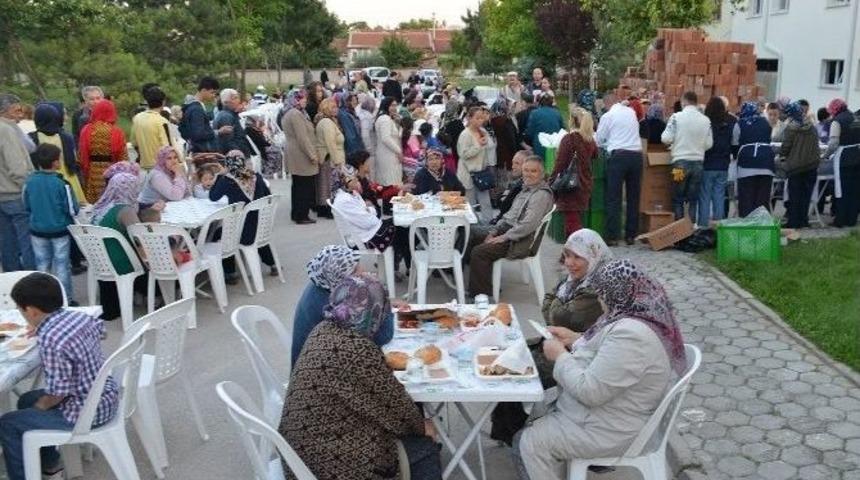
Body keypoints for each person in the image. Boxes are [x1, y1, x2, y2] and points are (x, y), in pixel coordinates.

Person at [512, 259, 685, 480]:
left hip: (609, 429)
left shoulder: (633, 336)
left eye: (602, 294)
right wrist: (574, 339)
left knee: (527, 443)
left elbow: (591, 392)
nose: (600, 300)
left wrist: (560, 355)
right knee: (535, 412)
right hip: (611, 414)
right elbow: (607, 352)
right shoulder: (635, 316)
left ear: (617, 294)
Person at [280, 274, 441, 480]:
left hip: (297, 453)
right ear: (375, 312)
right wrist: (421, 426)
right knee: (424, 447)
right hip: (328, 465)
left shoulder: (323, 329)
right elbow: (397, 407)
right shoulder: (358, 349)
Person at [490, 229, 611, 445]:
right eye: (567, 255)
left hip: (580, 355)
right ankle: (507, 431)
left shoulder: (598, 288)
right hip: (561, 341)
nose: (570, 263)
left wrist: (555, 305)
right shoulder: (574, 280)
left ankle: (515, 436)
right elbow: (549, 306)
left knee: (517, 373)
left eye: (578, 257)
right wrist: (556, 305)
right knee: (507, 354)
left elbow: (558, 313)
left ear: (593, 257)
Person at [0, 273, 118, 480]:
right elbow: (103, 332)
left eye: (21, 310)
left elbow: (57, 394)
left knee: (9, 423)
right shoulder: (79, 317)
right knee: (26, 400)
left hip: (84, 412)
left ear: (32, 311)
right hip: (105, 396)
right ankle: (50, 466)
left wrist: (40, 408)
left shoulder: (51, 339)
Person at [291, 245, 394, 365]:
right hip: (323, 372)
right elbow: (379, 338)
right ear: (338, 278)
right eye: (355, 271)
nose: (362, 271)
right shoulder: (333, 304)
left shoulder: (322, 283)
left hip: (315, 367)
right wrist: (382, 299)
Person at [466, 156, 553, 297]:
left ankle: (482, 295)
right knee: (472, 236)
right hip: (509, 231)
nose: (528, 174)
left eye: (533, 171)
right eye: (526, 170)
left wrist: (503, 237)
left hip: (519, 240)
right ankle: (479, 282)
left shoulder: (540, 196)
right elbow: (509, 217)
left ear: (542, 174)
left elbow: (527, 225)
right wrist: (494, 231)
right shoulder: (526, 189)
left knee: (479, 251)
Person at [90, 172, 155, 320]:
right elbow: (140, 238)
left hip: (100, 260)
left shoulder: (101, 206)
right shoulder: (125, 210)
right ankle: (155, 297)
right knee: (160, 259)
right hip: (121, 263)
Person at [23, 144, 79, 300]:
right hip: (59, 230)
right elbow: (72, 209)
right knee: (62, 266)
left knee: (41, 265)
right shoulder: (62, 183)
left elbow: (26, 205)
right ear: (55, 162)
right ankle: (65, 298)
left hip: (37, 230)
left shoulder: (30, 181)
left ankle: (43, 299)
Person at [209, 151, 278, 277]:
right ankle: (272, 263)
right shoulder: (256, 176)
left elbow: (213, 197)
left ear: (228, 163)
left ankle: (230, 272)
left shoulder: (228, 180)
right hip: (262, 227)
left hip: (243, 232)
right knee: (253, 221)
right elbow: (268, 196)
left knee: (220, 233)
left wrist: (220, 175)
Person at [596, 89, 643, 245]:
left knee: (614, 197)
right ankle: (631, 234)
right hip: (636, 156)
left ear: (605, 103)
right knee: (633, 197)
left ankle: (612, 236)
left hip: (619, 157)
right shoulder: (630, 112)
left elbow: (599, 139)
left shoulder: (607, 116)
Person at [661, 91, 713, 223]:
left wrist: (676, 143)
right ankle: (691, 230)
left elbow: (666, 138)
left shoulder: (676, 117)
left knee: (678, 198)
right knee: (693, 200)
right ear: (696, 102)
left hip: (679, 165)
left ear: (683, 102)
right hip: (698, 165)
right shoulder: (706, 120)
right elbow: (709, 144)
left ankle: (679, 233)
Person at [0, 94, 36, 272]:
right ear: (4, 111)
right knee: (27, 241)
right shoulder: (6, 130)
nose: (20, 114)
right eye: (16, 110)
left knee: (7, 242)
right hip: (14, 193)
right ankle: (31, 281)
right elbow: (17, 167)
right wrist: (29, 188)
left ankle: (11, 281)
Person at [551, 108, 598, 236]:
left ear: (572, 120)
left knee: (572, 223)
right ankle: (568, 253)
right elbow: (595, 155)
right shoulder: (590, 140)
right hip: (585, 183)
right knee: (574, 220)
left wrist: (552, 181)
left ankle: (580, 250)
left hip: (570, 185)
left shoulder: (569, 139)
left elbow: (560, 164)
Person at [29, 103, 86, 204]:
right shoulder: (66, 137)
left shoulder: (31, 138)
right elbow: (73, 160)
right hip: (68, 180)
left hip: (43, 181)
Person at [779, 102, 821, 229]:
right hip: (812, 165)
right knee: (806, 195)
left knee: (795, 195)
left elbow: (786, 146)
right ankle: (803, 220)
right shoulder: (812, 126)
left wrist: (782, 155)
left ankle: (793, 221)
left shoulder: (791, 128)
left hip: (796, 166)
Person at [78, 99, 128, 203]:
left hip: (93, 171)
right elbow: (123, 157)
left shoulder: (86, 129)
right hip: (112, 171)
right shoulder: (117, 131)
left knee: (95, 203)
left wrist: (86, 171)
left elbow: (82, 154)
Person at [282, 90, 320, 224]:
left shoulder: (293, 112)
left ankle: (297, 213)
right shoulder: (296, 114)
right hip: (301, 155)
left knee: (298, 185)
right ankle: (301, 215)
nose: (305, 101)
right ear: (295, 100)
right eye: (302, 98)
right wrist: (312, 155)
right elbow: (302, 138)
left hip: (296, 153)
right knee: (304, 186)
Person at [732, 102, 775, 217]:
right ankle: (762, 226)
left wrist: (735, 156)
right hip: (766, 164)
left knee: (746, 199)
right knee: (762, 199)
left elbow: (735, 144)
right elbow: (768, 139)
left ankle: (747, 226)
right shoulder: (765, 122)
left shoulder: (739, 123)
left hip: (747, 164)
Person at [699, 96, 736, 227]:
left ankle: (703, 226)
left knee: (704, 196)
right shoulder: (729, 123)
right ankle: (718, 226)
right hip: (723, 165)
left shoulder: (706, 123)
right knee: (719, 197)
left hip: (707, 164)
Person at [824, 98, 860, 227]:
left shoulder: (837, 121)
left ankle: (840, 220)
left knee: (841, 189)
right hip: (857, 154)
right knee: (855, 189)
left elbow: (833, 143)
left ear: (834, 110)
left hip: (844, 157)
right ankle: (851, 219)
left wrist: (825, 155)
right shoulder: (856, 118)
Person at [457, 107, 495, 223]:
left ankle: (488, 225)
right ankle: (471, 225)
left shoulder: (482, 131)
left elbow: (491, 146)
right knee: (470, 203)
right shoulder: (465, 134)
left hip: (481, 172)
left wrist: (486, 139)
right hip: (469, 173)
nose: (480, 121)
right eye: (477, 118)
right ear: (470, 118)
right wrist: (478, 145)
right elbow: (464, 154)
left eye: (482, 118)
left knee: (486, 201)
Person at [179, 76, 226, 154]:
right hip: (202, 151)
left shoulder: (189, 106)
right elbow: (198, 134)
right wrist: (217, 132)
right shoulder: (196, 109)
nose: (214, 95)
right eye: (212, 92)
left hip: (195, 149)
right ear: (203, 90)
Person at [315, 98, 344, 218]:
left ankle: (324, 208)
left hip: (328, 157)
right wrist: (338, 161)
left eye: (336, 106)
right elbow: (330, 143)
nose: (335, 109)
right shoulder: (327, 123)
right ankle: (327, 208)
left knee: (325, 184)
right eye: (332, 107)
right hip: (330, 159)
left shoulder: (328, 121)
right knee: (328, 185)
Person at [131, 86, 171, 171]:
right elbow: (167, 148)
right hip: (160, 169)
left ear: (147, 102)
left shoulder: (137, 118)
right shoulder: (162, 121)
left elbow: (134, 142)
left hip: (143, 167)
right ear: (163, 102)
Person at [374, 97, 404, 187]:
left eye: (395, 105)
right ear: (386, 106)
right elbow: (385, 138)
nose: (394, 108)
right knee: (390, 183)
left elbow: (397, 136)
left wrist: (398, 123)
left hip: (392, 153)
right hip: (388, 155)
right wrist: (399, 151)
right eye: (392, 105)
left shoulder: (389, 119)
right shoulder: (384, 119)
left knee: (394, 181)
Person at [524, 94, 564, 160]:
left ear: (539, 102)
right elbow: (562, 130)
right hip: (554, 145)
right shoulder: (557, 113)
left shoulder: (534, 113)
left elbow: (530, 132)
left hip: (539, 145)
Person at [492, 151, 527, 224]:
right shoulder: (517, 183)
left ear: (527, 166)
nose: (513, 166)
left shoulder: (521, 186)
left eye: (517, 163)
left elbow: (503, 206)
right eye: (513, 163)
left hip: (503, 227)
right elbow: (500, 201)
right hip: (500, 222)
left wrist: (503, 197)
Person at [214, 89, 251, 157]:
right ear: (226, 102)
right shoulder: (226, 116)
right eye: (235, 98)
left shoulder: (230, 114)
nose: (238, 101)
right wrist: (239, 154)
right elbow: (228, 141)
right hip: (234, 157)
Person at [336, 92, 365, 156]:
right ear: (346, 101)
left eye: (355, 100)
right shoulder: (344, 114)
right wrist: (356, 152)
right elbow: (350, 135)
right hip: (353, 148)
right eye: (352, 100)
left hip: (357, 144)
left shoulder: (350, 111)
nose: (355, 102)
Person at [356, 95, 377, 179]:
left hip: (365, 149)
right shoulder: (367, 117)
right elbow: (365, 135)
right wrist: (369, 149)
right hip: (369, 150)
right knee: (371, 174)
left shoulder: (361, 114)